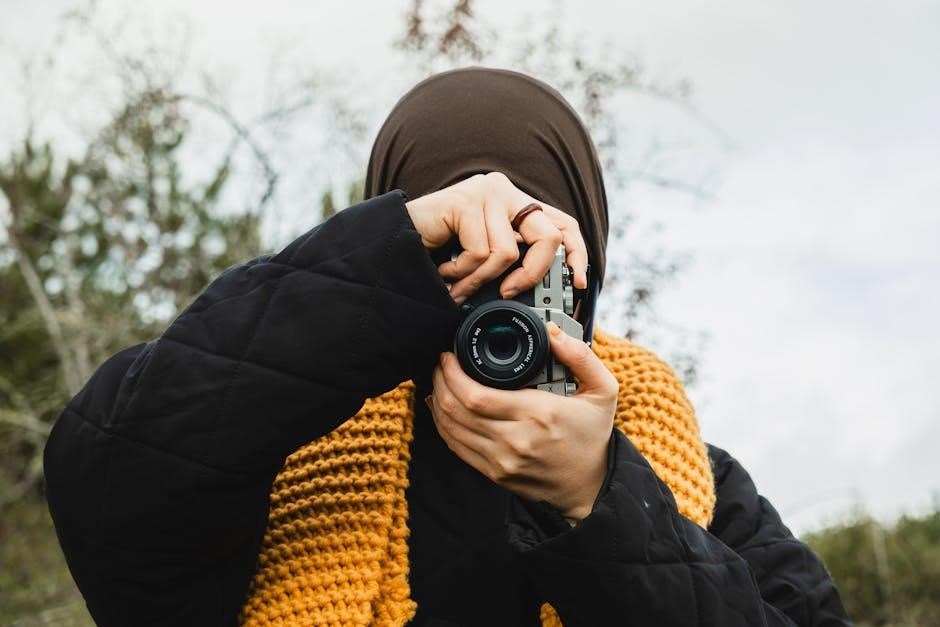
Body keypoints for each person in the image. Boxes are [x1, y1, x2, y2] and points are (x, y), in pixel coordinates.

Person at [43, 67, 850, 626]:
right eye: (455, 249)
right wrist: (378, 262)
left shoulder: (688, 478)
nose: (498, 290)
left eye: (534, 262)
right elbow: (109, 481)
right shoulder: (272, 453)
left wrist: (603, 500)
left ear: (588, 270)